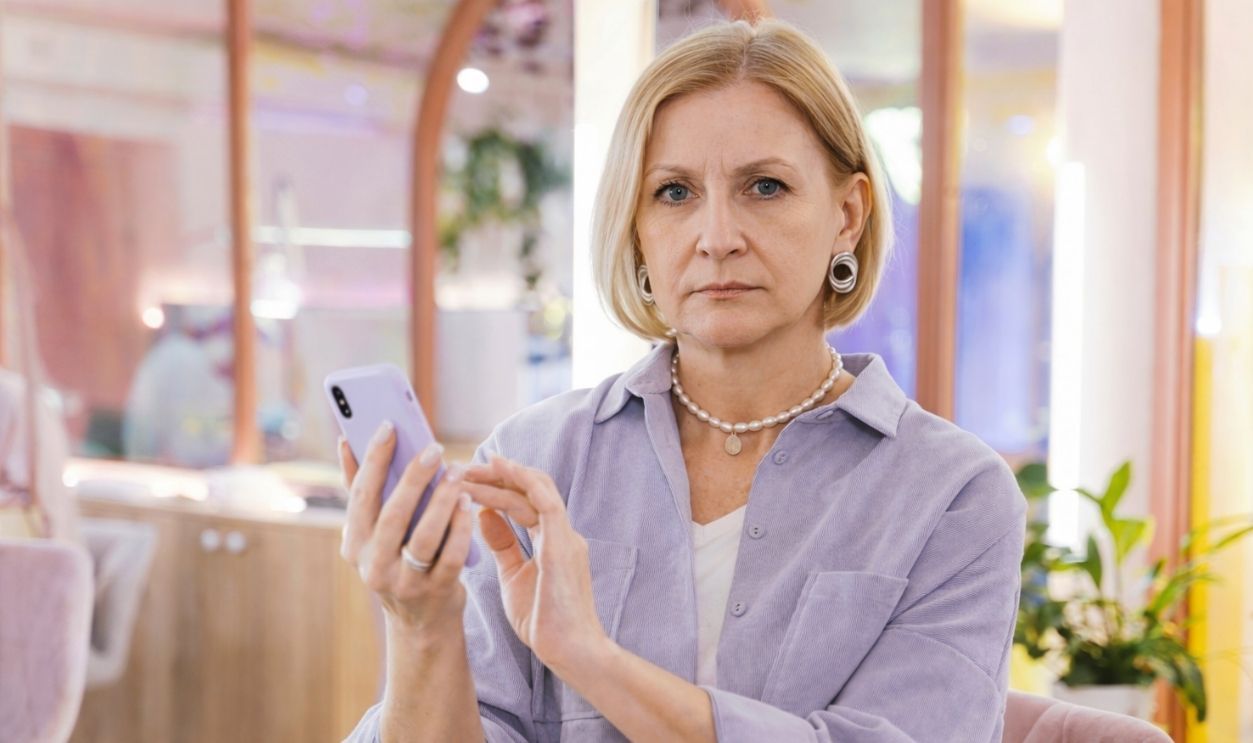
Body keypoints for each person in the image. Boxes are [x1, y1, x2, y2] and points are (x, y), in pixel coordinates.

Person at [342, 18, 1025, 743]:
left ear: (847, 215)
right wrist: (420, 625)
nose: (717, 235)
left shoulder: (954, 495)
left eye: (764, 186)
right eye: (673, 192)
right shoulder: (534, 462)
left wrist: (590, 657)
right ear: (636, 228)